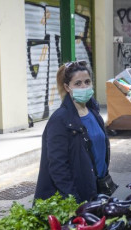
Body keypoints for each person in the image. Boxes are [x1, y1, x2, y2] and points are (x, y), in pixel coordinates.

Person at [34, 61, 112, 203]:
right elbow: (58, 166)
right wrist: (73, 200)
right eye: (78, 83)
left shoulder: (93, 112)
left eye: (87, 82)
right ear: (67, 87)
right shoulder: (60, 120)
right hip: (77, 195)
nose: (84, 87)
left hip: (97, 190)